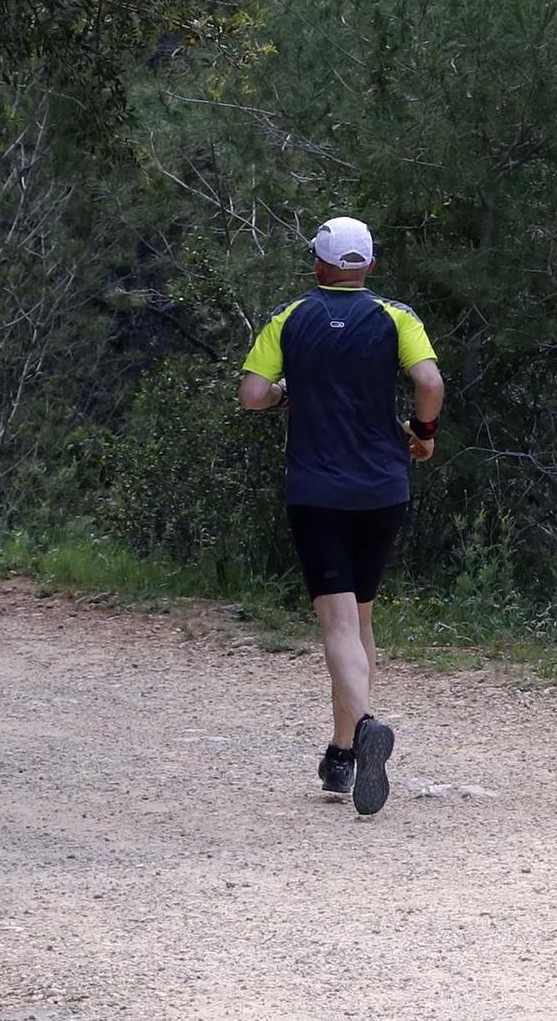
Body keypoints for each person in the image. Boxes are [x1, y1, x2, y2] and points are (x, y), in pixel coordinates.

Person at [239, 216, 444, 816]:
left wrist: (285, 393)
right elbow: (428, 381)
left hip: (318, 490)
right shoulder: (395, 317)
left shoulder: (289, 318)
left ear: (317, 265)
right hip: (383, 487)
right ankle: (341, 753)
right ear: (370, 267)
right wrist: (425, 434)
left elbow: (253, 394)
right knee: (361, 621)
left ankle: (366, 730)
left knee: (336, 627)